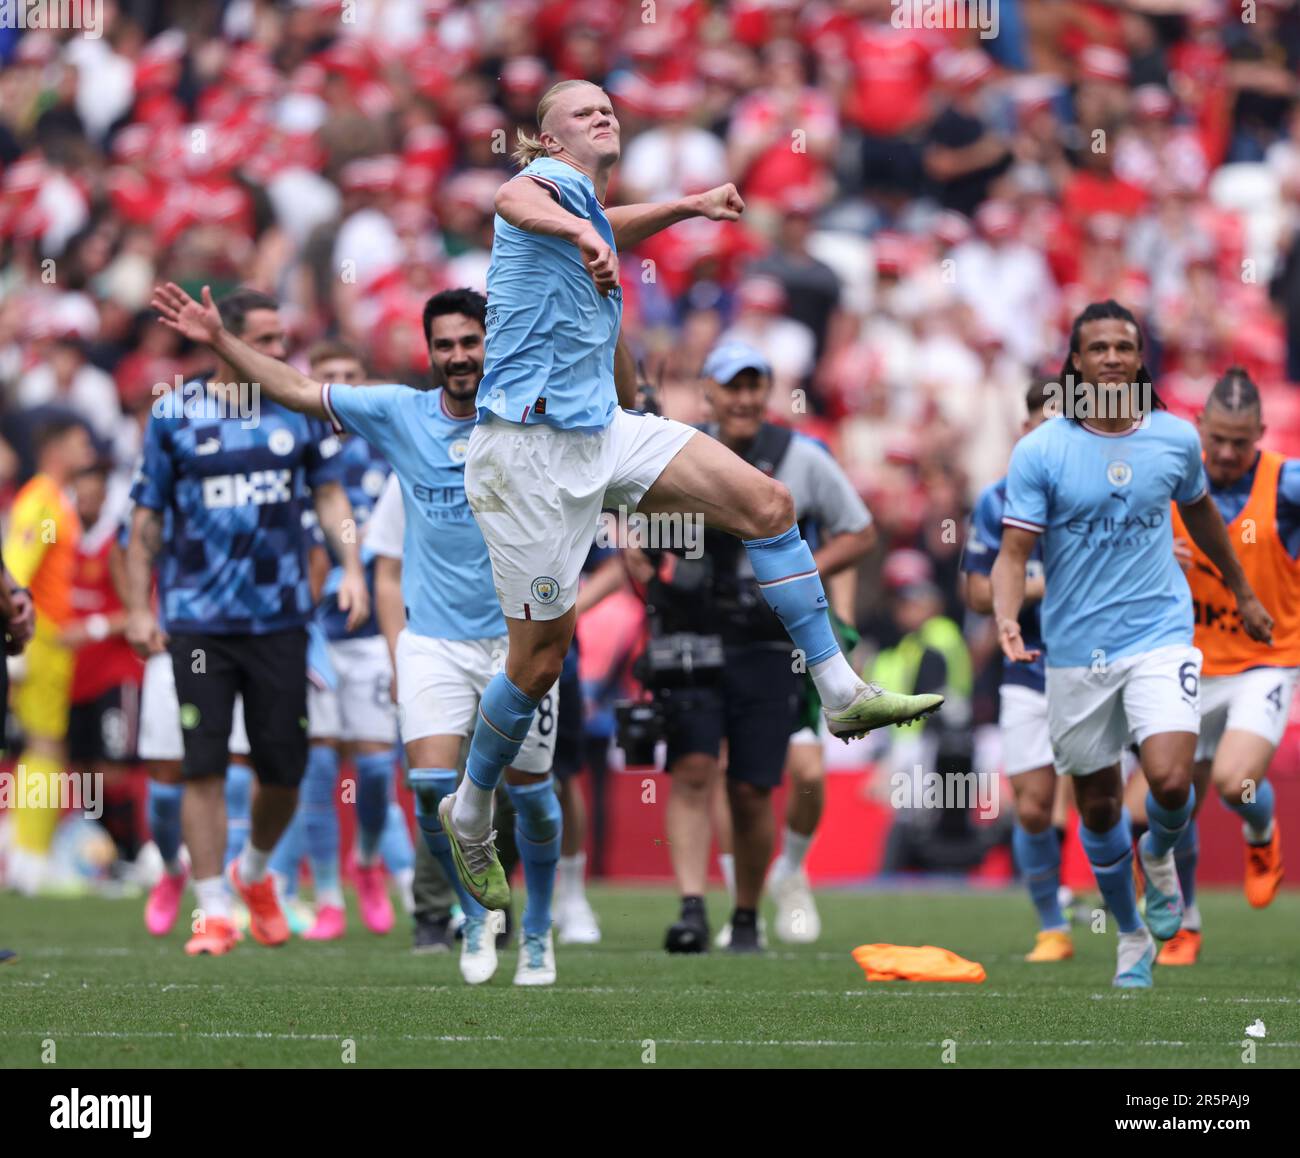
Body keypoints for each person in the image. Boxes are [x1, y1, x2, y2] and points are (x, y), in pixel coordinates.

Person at [438, 78, 942, 914]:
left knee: (771, 505)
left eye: (610, 107)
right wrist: (581, 232)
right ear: (550, 138)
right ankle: (472, 804)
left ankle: (842, 691)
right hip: (523, 453)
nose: (605, 115)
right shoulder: (540, 191)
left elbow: (607, 225)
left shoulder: (587, 206)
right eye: (583, 111)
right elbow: (510, 195)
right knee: (536, 663)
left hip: (601, 430)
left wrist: (691, 205)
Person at [148, 284, 563, 986]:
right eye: (446, 344)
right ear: (427, 353)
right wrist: (220, 340)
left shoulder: (531, 415)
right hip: (431, 638)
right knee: (431, 786)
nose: (460, 356)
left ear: (492, 344)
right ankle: (472, 919)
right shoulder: (401, 412)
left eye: (471, 341)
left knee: (530, 797)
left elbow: (614, 409)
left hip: (520, 638)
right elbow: (303, 393)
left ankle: (542, 931)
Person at [992, 300, 1273, 989]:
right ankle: (1128, 935)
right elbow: (1013, 551)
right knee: (1097, 806)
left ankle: (1162, 858)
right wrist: (1005, 615)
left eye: (1125, 345)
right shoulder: (1041, 450)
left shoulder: (1176, 440)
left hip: (1159, 635)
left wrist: (1240, 589)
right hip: (1073, 651)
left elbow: (1203, 512)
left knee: (1174, 780)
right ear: (1076, 363)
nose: (1113, 357)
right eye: (1099, 348)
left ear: (1140, 358)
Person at [125, 288, 367, 956]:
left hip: (282, 618)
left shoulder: (298, 406)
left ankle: (253, 874)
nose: (279, 353)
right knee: (201, 763)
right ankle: (213, 912)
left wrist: (350, 563)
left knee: (284, 769)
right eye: (266, 341)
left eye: (283, 341)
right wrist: (141, 606)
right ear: (224, 340)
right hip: (198, 620)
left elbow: (329, 493)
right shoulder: (175, 414)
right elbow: (145, 516)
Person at [632, 340, 874, 953]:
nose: (742, 398)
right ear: (708, 391)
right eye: (730, 386)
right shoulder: (675, 449)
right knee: (690, 768)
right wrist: (647, 562)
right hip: (690, 632)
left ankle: (746, 913)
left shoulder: (801, 456)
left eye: (753, 386)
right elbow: (636, 538)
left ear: (766, 393)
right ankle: (690, 906)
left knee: (752, 784)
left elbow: (860, 530)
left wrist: (797, 576)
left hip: (770, 641)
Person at [1138, 368, 1292, 966]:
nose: (1227, 453)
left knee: (1235, 782)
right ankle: (1187, 923)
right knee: (1162, 806)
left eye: (1241, 441)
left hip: (1264, 662)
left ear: (1262, 432)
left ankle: (1261, 833)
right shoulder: (1167, 483)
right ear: (1198, 427)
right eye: (1217, 440)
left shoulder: (1286, 485)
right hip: (1187, 665)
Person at [267, 341, 413, 941]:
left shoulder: (392, 451)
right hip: (312, 635)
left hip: (379, 633)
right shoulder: (292, 452)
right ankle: (327, 894)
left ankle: (369, 861)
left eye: (352, 376)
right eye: (329, 378)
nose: (342, 387)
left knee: (378, 771)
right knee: (319, 766)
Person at [961, 379, 1077, 962]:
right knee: (1032, 803)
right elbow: (979, 595)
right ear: (1026, 432)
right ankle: (1053, 925)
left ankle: (1162, 911)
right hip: (1029, 662)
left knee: (1136, 793)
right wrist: (1041, 585)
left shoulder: (1105, 490)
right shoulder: (998, 499)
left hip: (1105, 664)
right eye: (1043, 425)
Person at [2, 416, 95, 894]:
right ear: (56, 448)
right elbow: (17, 564)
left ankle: (27, 855)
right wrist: (15, 622)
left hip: (50, 636)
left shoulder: (55, 499)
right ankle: (29, 861)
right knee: (43, 746)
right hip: (38, 635)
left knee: (44, 747)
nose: (89, 449)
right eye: (80, 441)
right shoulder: (41, 498)